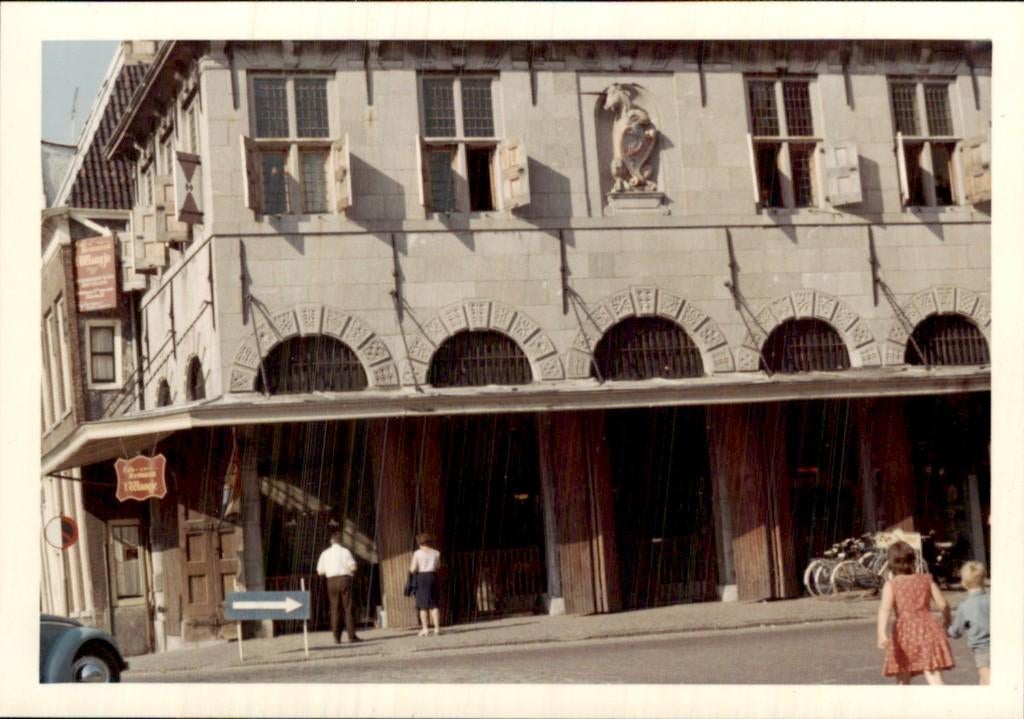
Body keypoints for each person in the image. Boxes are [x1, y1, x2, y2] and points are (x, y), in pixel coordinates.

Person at [877, 540, 954, 684]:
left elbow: (884, 610)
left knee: (903, 673)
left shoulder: (891, 585)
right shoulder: (926, 579)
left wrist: (881, 633)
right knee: (933, 672)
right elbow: (943, 604)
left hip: (904, 632)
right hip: (929, 628)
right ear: (913, 560)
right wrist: (947, 620)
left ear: (891, 563)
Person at [947, 561, 990, 685]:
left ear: (963, 583)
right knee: (983, 682)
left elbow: (956, 632)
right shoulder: (992, 600)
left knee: (988, 682)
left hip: (981, 650)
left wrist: (948, 630)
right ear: (984, 579)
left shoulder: (965, 607)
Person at [316, 532, 361, 644]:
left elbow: (320, 571)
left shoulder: (325, 553)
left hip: (331, 581)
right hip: (345, 579)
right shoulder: (345, 552)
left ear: (331, 541)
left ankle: (336, 637)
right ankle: (351, 636)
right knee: (348, 607)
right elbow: (353, 567)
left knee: (335, 608)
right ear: (341, 541)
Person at [409, 532, 441, 636]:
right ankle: (437, 628)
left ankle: (425, 629)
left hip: (421, 578)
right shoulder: (436, 552)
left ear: (419, 542)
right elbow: (437, 566)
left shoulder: (417, 553)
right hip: (432, 576)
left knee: (422, 605)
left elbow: (413, 569)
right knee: (434, 603)